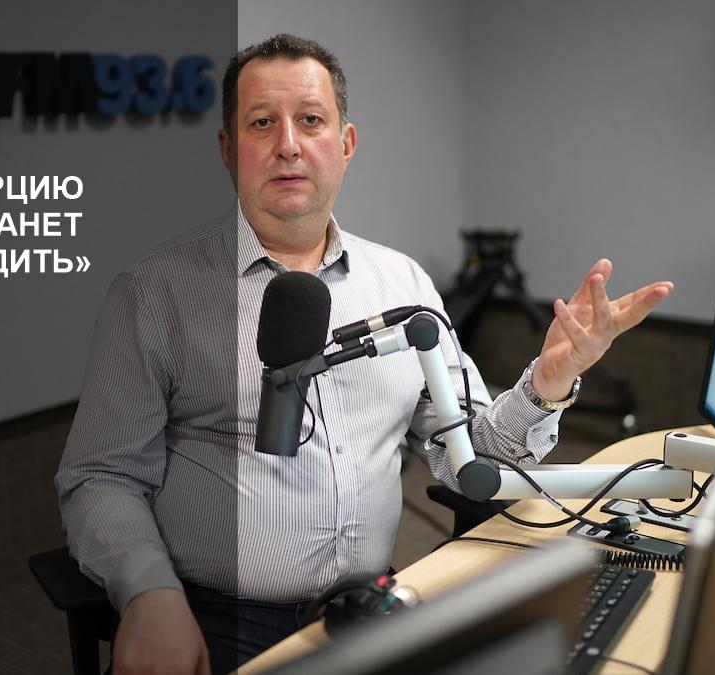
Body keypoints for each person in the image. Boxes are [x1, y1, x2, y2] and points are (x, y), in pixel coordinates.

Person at [55, 33, 673, 675]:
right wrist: (150, 595)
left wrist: (546, 383)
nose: (288, 144)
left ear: (345, 144)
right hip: (217, 616)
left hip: (369, 604)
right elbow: (100, 477)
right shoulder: (155, 293)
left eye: (310, 120)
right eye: (261, 123)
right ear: (228, 149)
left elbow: (473, 460)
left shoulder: (403, 286)